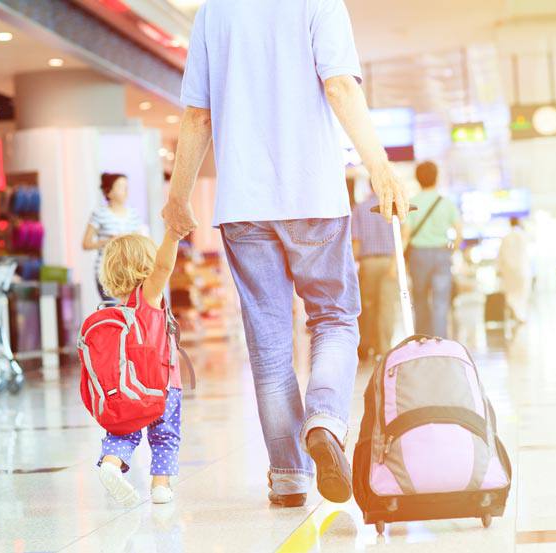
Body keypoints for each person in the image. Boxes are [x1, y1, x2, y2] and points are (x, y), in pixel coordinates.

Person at [161, 0, 409, 507]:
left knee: (270, 347)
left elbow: (196, 115)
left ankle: (289, 475)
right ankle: (324, 418)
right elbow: (339, 86)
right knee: (335, 320)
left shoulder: (214, 12)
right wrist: (379, 165)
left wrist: (178, 197)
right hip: (314, 194)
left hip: (243, 206)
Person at [95, 231, 183, 507]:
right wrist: (173, 234)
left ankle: (111, 463)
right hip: (163, 386)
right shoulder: (148, 297)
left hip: (128, 389)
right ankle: (160, 485)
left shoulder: (119, 310)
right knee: (165, 435)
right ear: (145, 262)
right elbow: (165, 266)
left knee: (124, 432)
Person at [404, 161, 461, 337]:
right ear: (437, 177)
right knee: (441, 302)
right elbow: (459, 232)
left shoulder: (412, 203)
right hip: (442, 254)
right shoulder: (447, 203)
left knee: (420, 300)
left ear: (417, 179)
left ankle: (423, 342)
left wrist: (395, 262)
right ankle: (440, 342)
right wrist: (451, 250)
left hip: (418, 256)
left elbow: (405, 235)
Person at [352, 183, 397, 360]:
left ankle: (366, 347)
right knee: (387, 307)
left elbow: (356, 241)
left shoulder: (360, 208)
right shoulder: (392, 207)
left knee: (368, 306)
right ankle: (384, 349)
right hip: (389, 262)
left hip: (368, 262)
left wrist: (353, 266)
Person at [83, 173, 143, 301]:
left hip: (130, 273)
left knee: (130, 312)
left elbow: (140, 243)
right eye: (121, 187)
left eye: (127, 187)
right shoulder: (99, 214)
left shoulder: (134, 215)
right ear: (109, 192)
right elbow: (86, 244)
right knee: (114, 311)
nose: (126, 191)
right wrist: (108, 242)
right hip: (106, 272)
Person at [497, 217, 532, 323]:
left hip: (509, 272)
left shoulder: (506, 238)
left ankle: (516, 314)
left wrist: (499, 270)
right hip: (522, 270)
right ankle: (520, 315)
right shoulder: (523, 235)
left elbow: (500, 256)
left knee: (511, 294)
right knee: (522, 293)